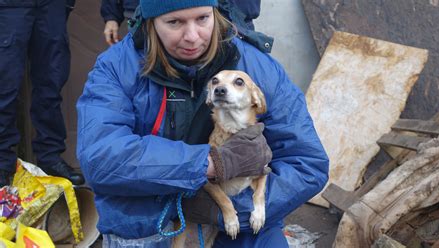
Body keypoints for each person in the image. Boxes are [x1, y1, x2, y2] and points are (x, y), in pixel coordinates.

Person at [76, 0, 329, 247]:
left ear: (215, 12)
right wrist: (211, 165)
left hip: (242, 223)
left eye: (202, 19)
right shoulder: (117, 68)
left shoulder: (255, 67)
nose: (192, 36)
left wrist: (229, 211)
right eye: (174, 22)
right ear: (152, 21)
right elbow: (101, 159)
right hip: (147, 224)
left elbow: (307, 163)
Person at [0, 0, 85, 187]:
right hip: (9, 7)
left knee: (51, 85)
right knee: (5, 87)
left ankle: (50, 158)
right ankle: (2, 164)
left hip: (51, 6)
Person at [101, 0, 274, 53]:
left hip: (234, 21)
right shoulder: (119, 66)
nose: (191, 36)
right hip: (147, 17)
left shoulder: (253, 62)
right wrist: (111, 15)